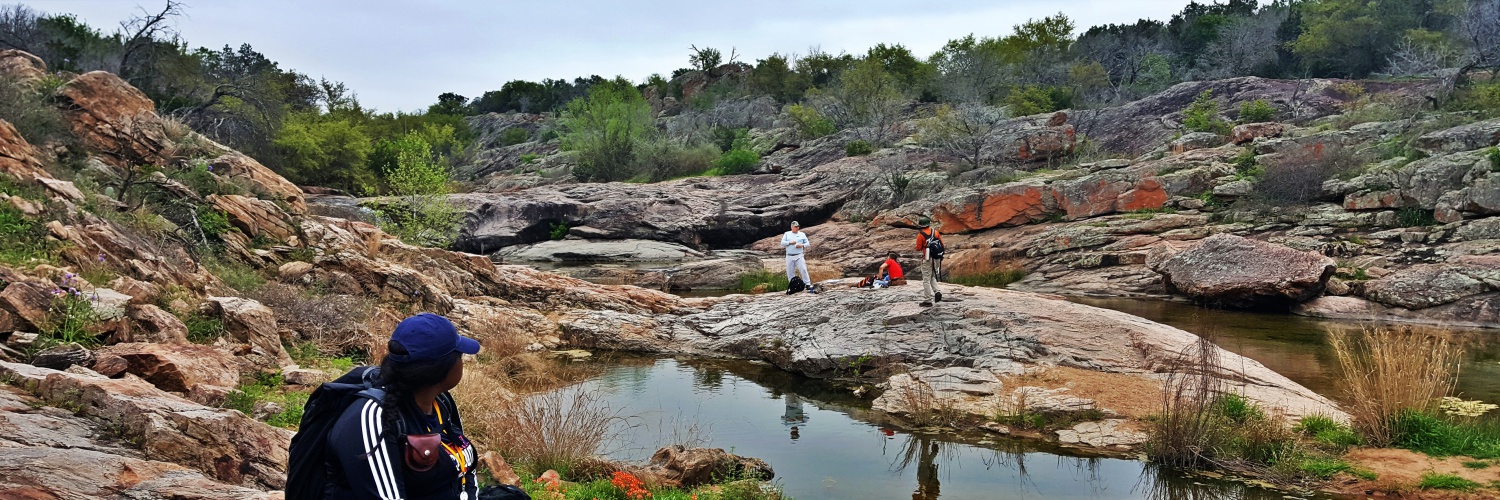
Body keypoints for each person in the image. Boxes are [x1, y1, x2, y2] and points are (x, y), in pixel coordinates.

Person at [324, 313, 481, 499]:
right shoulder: (372, 417)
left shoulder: (441, 403)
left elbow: (466, 471)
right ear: (442, 368)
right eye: (460, 356)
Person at [915, 217, 944, 306]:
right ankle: (937, 291)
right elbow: (942, 244)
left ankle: (927, 300)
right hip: (937, 258)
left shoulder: (921, 235)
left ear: (920, 225)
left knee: (926, 279)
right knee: (932, 275)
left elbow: (918, 248)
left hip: (927, 258)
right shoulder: (935, 232)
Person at [780, 220, 814, 294]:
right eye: (795, 227)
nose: (797, 228)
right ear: (792, 227)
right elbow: (782, 243)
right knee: (790, 272)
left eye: (798, 226)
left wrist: (802, 245)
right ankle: (793, 284)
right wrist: (789, 242)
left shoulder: (802, 234)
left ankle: (807, 284)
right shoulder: (787, 234)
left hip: (799, 255)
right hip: (789, 255)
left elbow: (807, 243)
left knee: (803, 269)